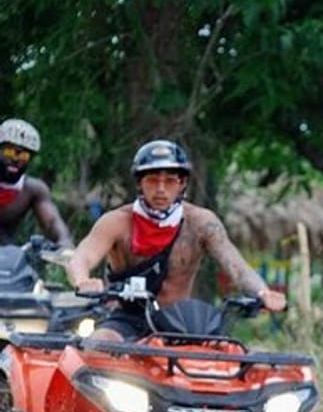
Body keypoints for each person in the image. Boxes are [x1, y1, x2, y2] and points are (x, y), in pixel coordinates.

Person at [66, 139, 286, 341]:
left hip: (181, 322)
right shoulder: (116, 222)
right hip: (126, 319)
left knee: (226, 360)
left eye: (170, 181)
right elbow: (81, 257)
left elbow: (236, 266)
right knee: (99, 344)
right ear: (140, 183)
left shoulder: (201, 222)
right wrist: (82, 280)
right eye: (152, 180)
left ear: (182, 184)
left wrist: (262, 292)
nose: (161, 189)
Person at [0, 118, 73, 247]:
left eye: (24, 156)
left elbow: (52, 222)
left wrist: (65, 243)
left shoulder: (32, 190)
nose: (16, 159)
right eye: (10, 152)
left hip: (6, 258)